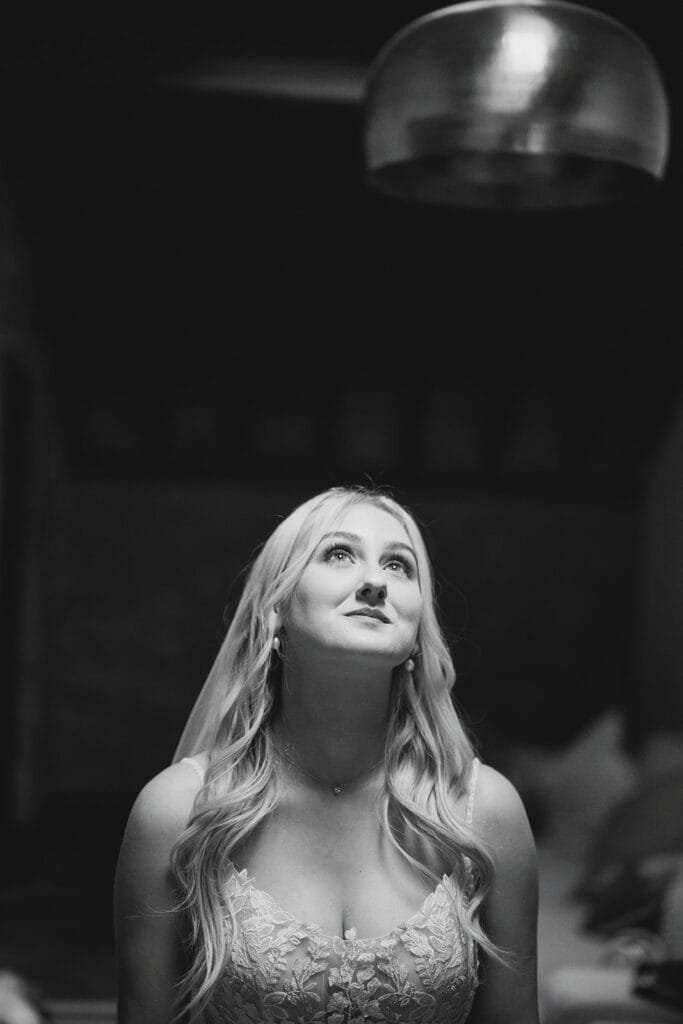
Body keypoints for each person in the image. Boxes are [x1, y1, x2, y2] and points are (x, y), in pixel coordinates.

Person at [114, 485, 539, 1023]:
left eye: (398, 565)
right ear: (275, 609)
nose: (374, 582)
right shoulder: (177, 810)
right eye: (339, 554)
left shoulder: (485, 811)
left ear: (417, 631)